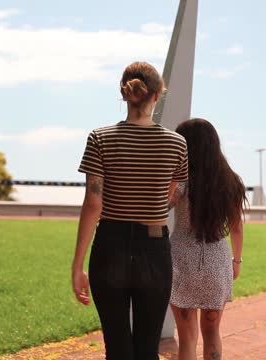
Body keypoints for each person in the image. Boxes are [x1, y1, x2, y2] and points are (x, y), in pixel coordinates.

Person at [71, 61, 189, 360]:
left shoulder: (100, 138)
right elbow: (171, 192)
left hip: (110, 246)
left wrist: (77, 264)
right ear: (156, 95)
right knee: (148, 349)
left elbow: (93, 204)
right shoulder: (176, 144)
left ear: (124, 94)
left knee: (118, 347)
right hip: (154, 249)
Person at [170, 118, 246, 360]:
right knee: (212, 331)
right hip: (217, 261)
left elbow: (159, 207)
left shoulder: (181, 179)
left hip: (180, 260)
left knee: (187, 337)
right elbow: (236, 228)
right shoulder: (230, 180)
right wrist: (237, 261)